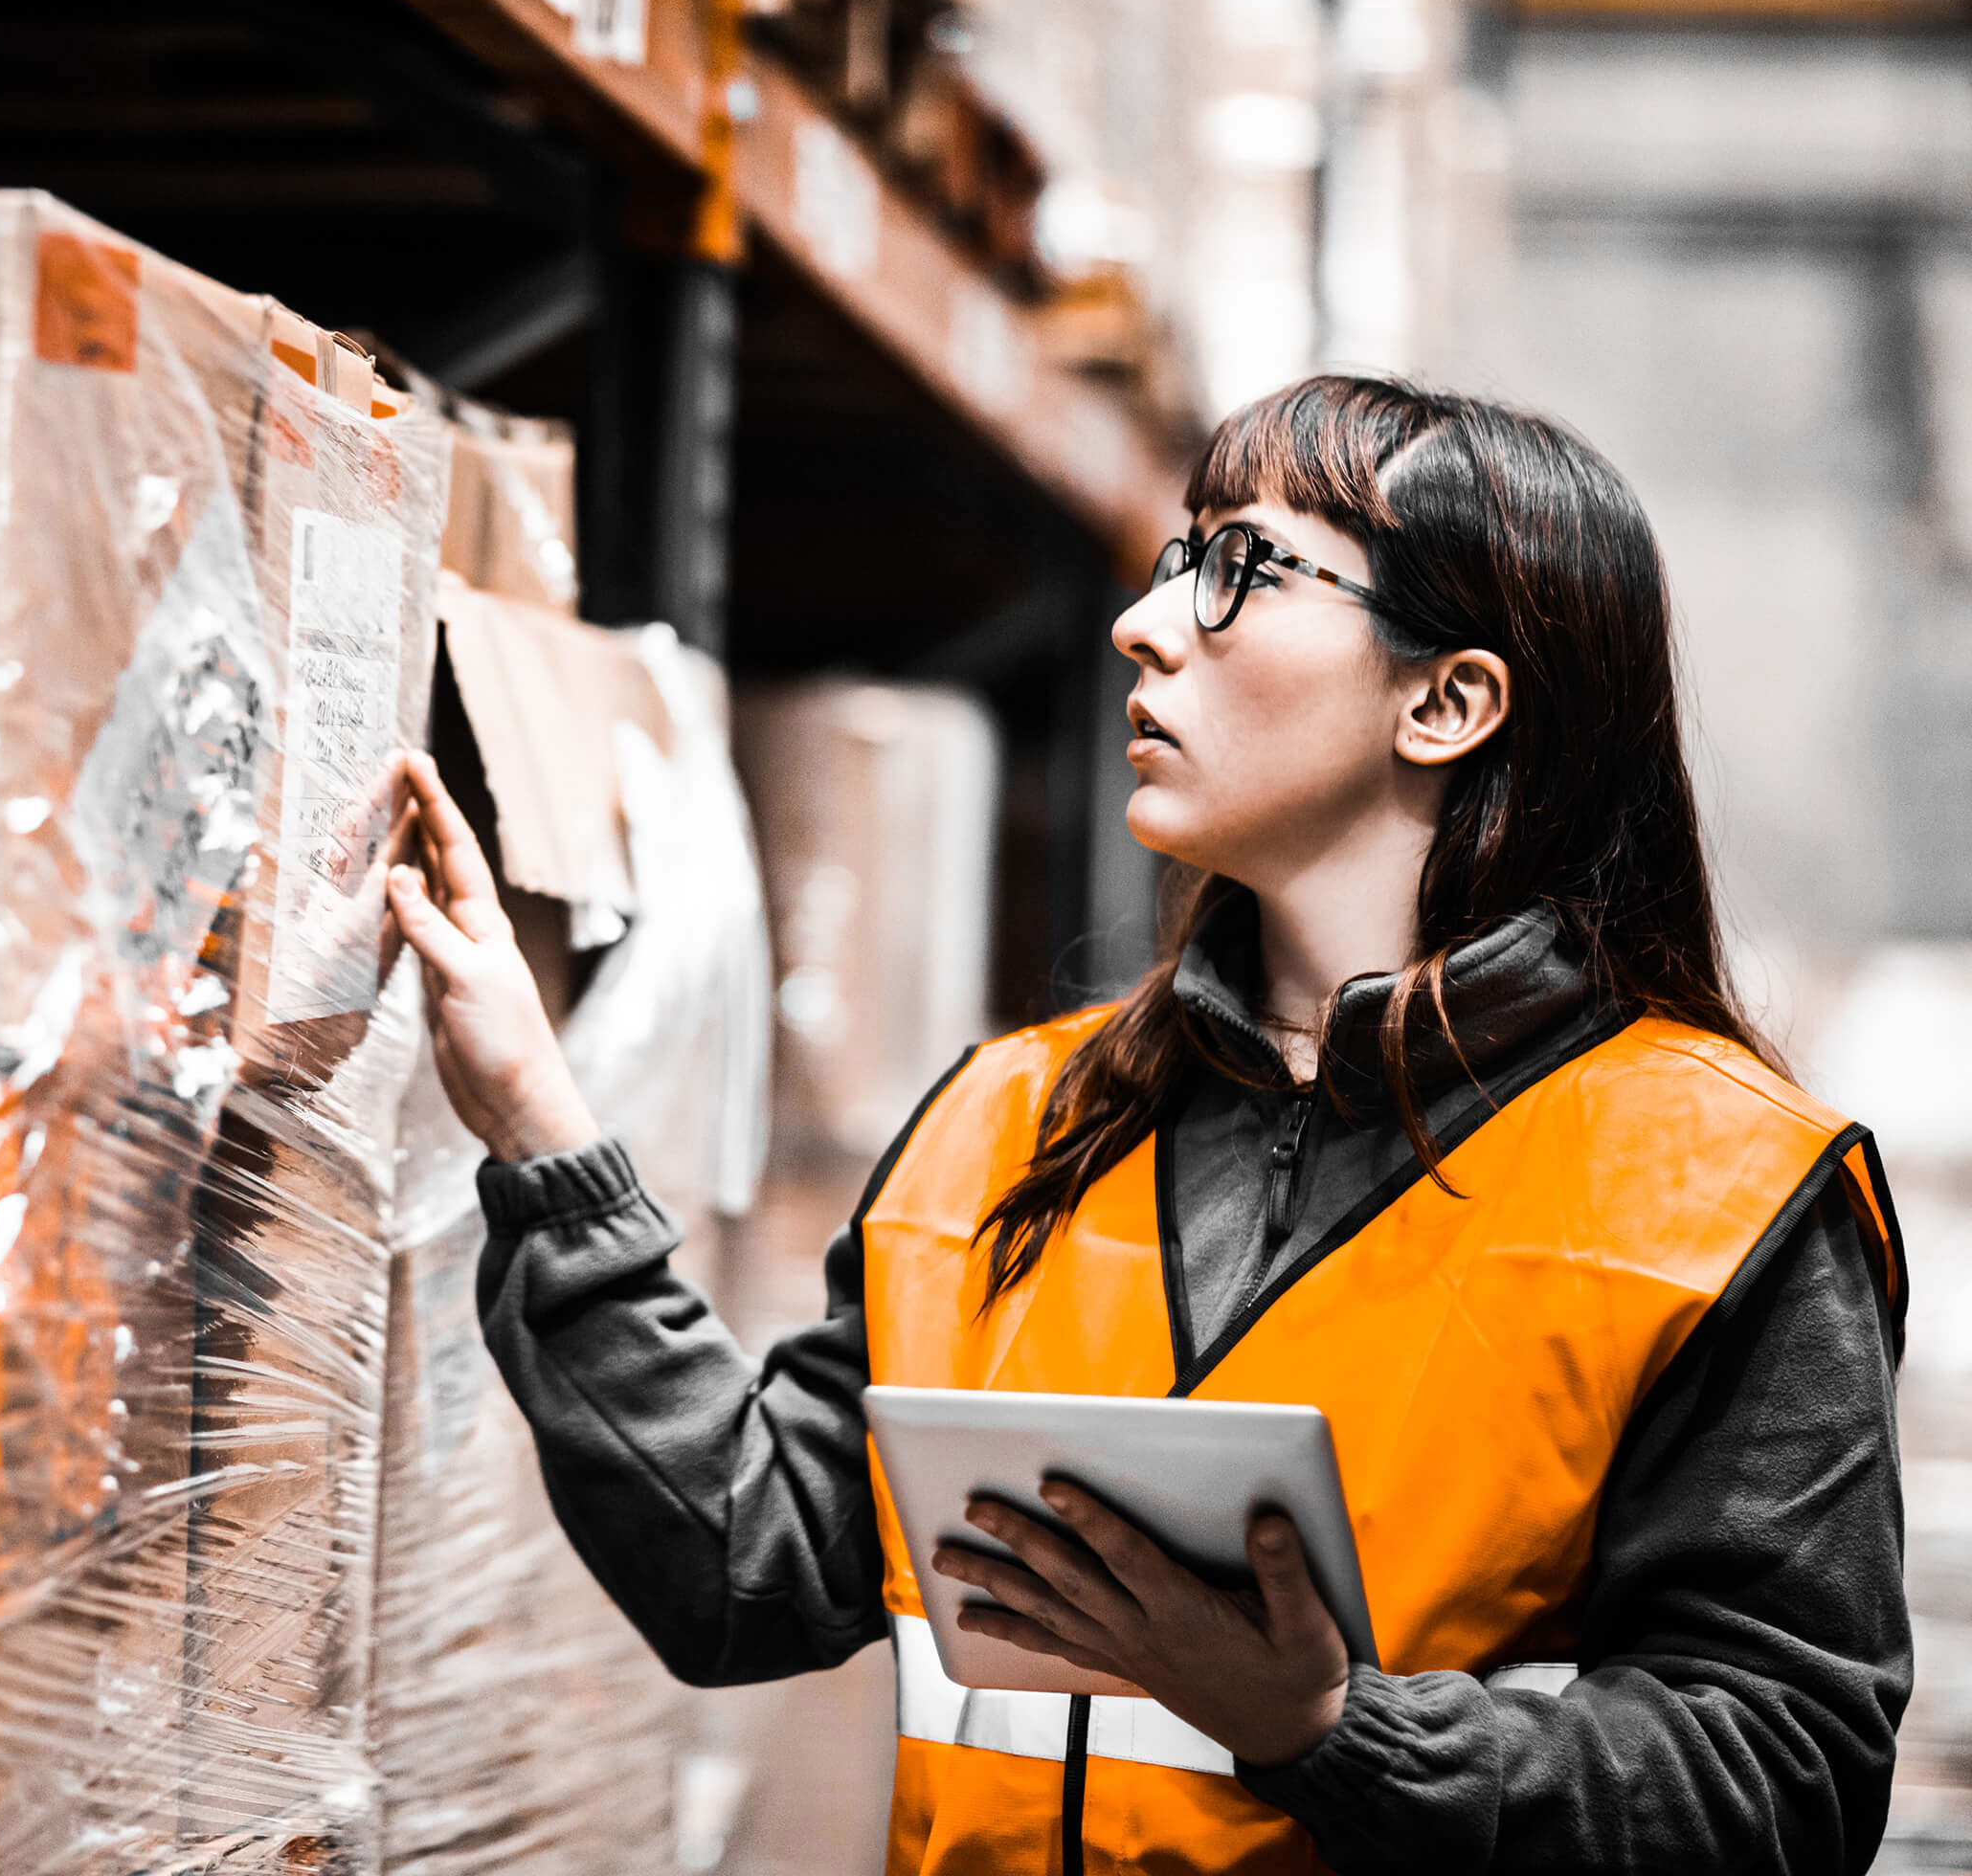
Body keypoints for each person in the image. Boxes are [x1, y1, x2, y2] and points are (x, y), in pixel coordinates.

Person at [383, 374, 1913, 1876]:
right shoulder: (1010, 1126)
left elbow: (1778, 1784)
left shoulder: (1718, 1196)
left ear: (1446, 702)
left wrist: (1330, 1728)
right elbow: (742, 1563)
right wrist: (539, 1133)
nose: (1147, 618)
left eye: (1243, 565)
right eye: (1185, 552)